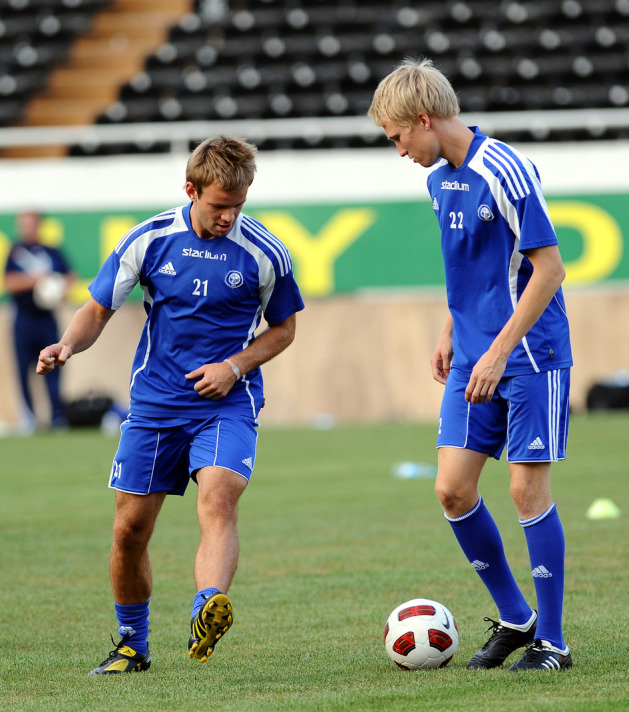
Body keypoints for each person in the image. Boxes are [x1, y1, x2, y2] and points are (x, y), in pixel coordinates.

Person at [37, 136, 305, 674]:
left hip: (226, 403)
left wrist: (234, 367)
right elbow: (97, 309)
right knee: (129, 531)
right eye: (219, 205)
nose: (230, 215)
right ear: (191, 190)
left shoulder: (265, 253)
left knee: (219, 499)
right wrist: (67, 343)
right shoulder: (150, 239)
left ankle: (208, 605)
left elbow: (284, 331)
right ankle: (132, 645)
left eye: (239, 204)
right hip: (156, 406)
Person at [368, 59, 573, 671]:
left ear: (424, 119)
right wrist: (452, 329)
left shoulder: (503, 171)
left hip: (529, 354)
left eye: (398, 136)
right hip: (474, 356)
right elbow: (475, 267)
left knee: (523, 487)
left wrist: (499, 348)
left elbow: (550, 270)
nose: (399, 149)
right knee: (453, 490)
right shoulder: (439, 181)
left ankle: (554, 643)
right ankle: (516, 618)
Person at [3, 210, 74, 432]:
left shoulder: (52, 252)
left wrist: (57, 289)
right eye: (25, 224)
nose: (29, 228)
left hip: (46, 319)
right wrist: (36, 280)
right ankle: (28, 419)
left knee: (54, 365)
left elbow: (70, 278)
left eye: (32, 223)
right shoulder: (15, 252)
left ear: (39, 225)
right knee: (23, 369)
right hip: (23, 318)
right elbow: (9, 282)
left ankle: (56, 418)